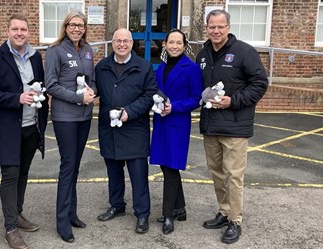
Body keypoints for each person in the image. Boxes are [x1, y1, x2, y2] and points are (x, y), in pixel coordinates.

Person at [195, 9, 268, 244]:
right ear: (206, 28)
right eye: (212, 26)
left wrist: (233, 101)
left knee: (233, 176)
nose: (216, 31)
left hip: (236, 126)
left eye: (221, 26)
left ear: (228, 27)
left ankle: (235, 220)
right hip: (211, 125)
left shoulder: (244, 51)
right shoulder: (203, 54)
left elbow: (260, 83)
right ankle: (224, 212)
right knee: (217, 173)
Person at [0, 14, 49, 249]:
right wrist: (16, 98)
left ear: (29, 32)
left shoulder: (36, 57)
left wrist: (40, 95)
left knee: (23, 173)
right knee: (10, 176)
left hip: (31, 127)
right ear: (7, 31)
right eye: (15, 29)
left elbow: (40, 84)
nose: (20, 33)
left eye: (24, 29)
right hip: (7, 130)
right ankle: (10, 227)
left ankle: (17, 213)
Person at [95, 28, 157, 234]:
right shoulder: (102, 66)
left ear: (132, 43)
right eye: (118, 41)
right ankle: (117, 206)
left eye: (126, 41)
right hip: (109, 128)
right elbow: (96, 90)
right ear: (112, 43)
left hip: (134, 128)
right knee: (113, 172)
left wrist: (129, 112)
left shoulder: (144, 67)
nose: (122, 44)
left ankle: (142, 214)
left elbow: (149, 95)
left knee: (138, 175)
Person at [44, 10, 96, 243]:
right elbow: (51, 86)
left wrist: (92, 91)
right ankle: (62, 221)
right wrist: (78, 98)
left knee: (75, 166)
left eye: (81, 25)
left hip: (84, 117)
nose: (77, 29)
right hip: (65, 117)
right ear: (65, 27)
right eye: (73, 25)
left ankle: (72, 213)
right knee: (67, 166)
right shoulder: (55, 51)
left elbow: (91, 79)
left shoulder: (87, 51)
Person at [149, 29, 203, 235]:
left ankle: (168, 215)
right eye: (171, 42)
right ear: (164, 44)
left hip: (178, 123)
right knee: (166, 166)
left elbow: (196, 98)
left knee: (171, 168)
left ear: (184, 45)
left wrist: (176, 107)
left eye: (178, 43)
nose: (174, 46)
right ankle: (180, 208)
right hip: (162, 123)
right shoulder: (161, 67)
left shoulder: (191, 68)